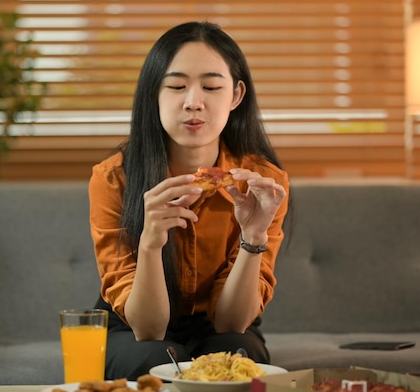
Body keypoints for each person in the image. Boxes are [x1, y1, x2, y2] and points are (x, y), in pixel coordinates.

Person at [88, 21, 290, 380]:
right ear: (155, 94)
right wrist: (150, 244)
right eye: (177, 86)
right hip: (134, 325)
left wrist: (253, 238)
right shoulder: (113, 178)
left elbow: (232, 322)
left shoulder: (264, 183)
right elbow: (148, 329)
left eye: (211, 87)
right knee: (156, 355)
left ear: (236, 95)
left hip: (218, 326)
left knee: (242, 355)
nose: (193, 102)